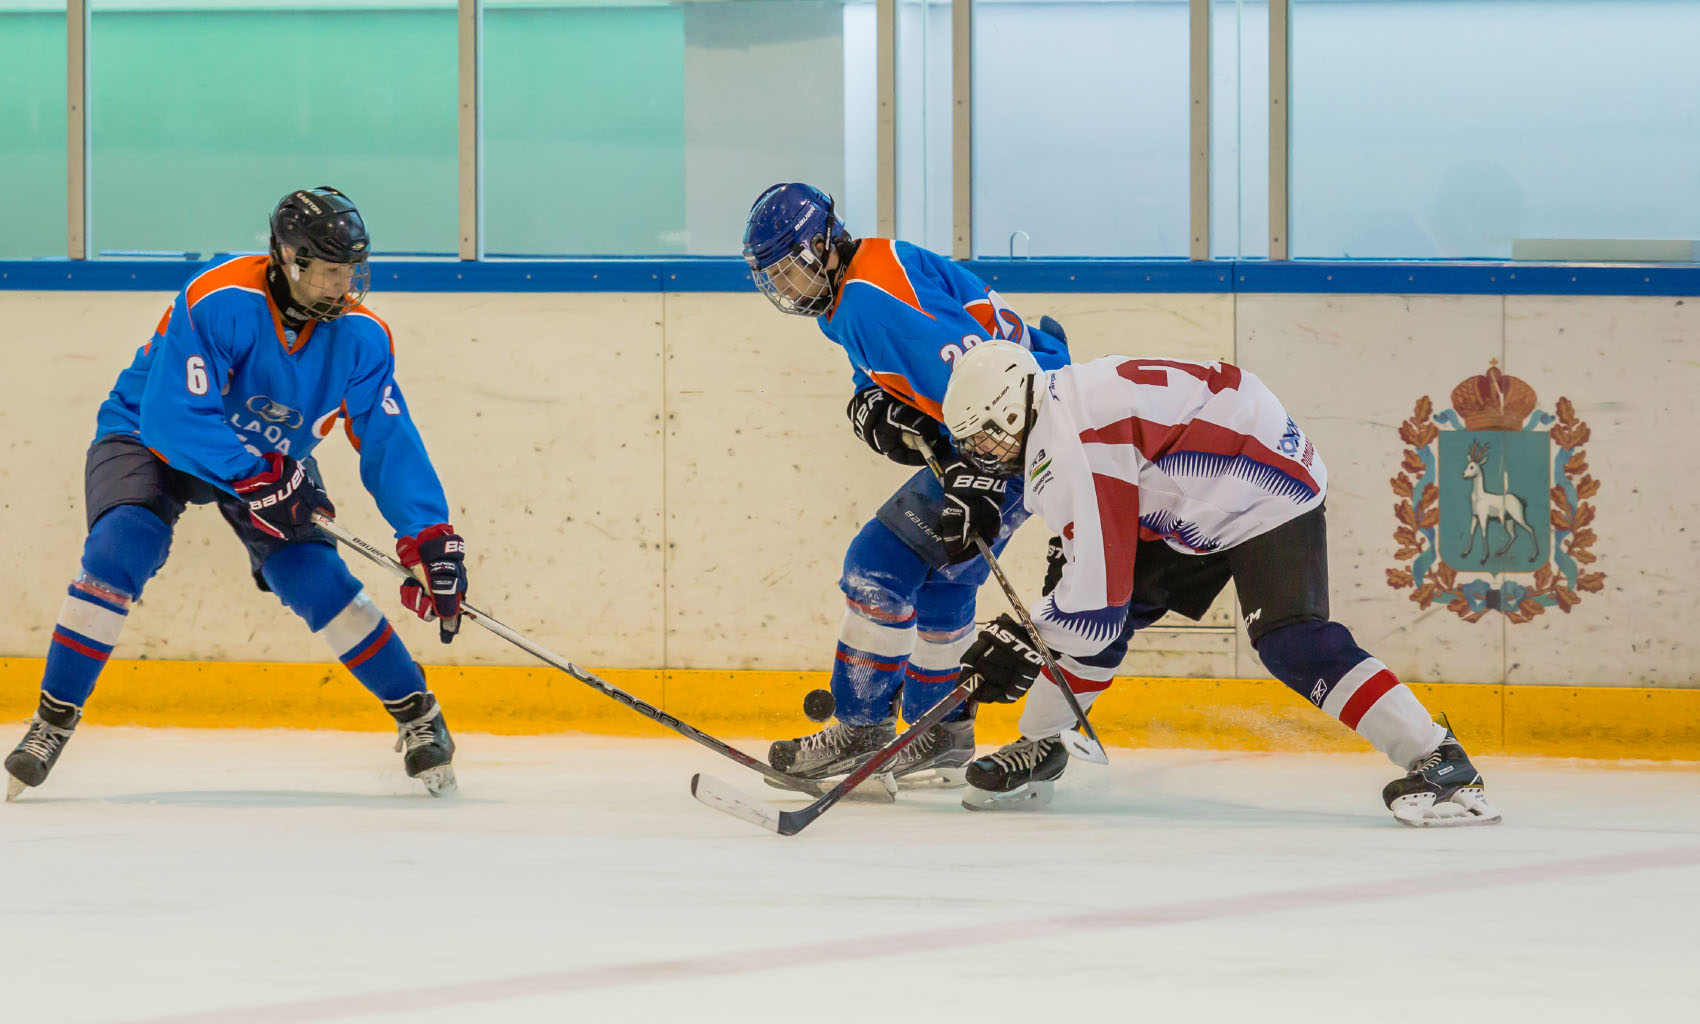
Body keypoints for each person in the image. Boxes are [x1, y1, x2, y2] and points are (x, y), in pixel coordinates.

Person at [5, 187, 469, 800]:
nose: (342, 286)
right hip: (151, 432)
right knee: (120, 547)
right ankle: (53, 719)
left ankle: (417, 715)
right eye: (329, 270)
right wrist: (254, 477)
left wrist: (426, 535)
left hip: (270, 456)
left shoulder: (363, 337)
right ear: (288, 257)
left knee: (313, 576)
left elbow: (388, 440)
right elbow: (174, 418)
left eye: (351, 271)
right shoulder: (219, 299)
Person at [935, 340, 1502, 826]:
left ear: (1011, 415)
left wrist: (1024, 636)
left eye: (985, 441)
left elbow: (1094, 608)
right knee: (1098, 609)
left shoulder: (1073, 448)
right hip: (1202, 481)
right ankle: (1041, 744)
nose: (985, 456)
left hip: (1261, 489)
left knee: (1290, 639)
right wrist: (1036, 630)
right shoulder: (1060, 398)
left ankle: (1439, 757)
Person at [740, 183, 1070, 785]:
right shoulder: (872, 266)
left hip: (1011, 435)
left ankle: (861, 732)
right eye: (774, 280)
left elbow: (969, 368)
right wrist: (873, 400)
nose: (785, 289)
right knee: (945, 577)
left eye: (789, 271)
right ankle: (940, 729)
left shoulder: (866, 300)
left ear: (821, 245)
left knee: (878, 565)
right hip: (1036, 423)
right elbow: (924, 363)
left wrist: (978, 473)